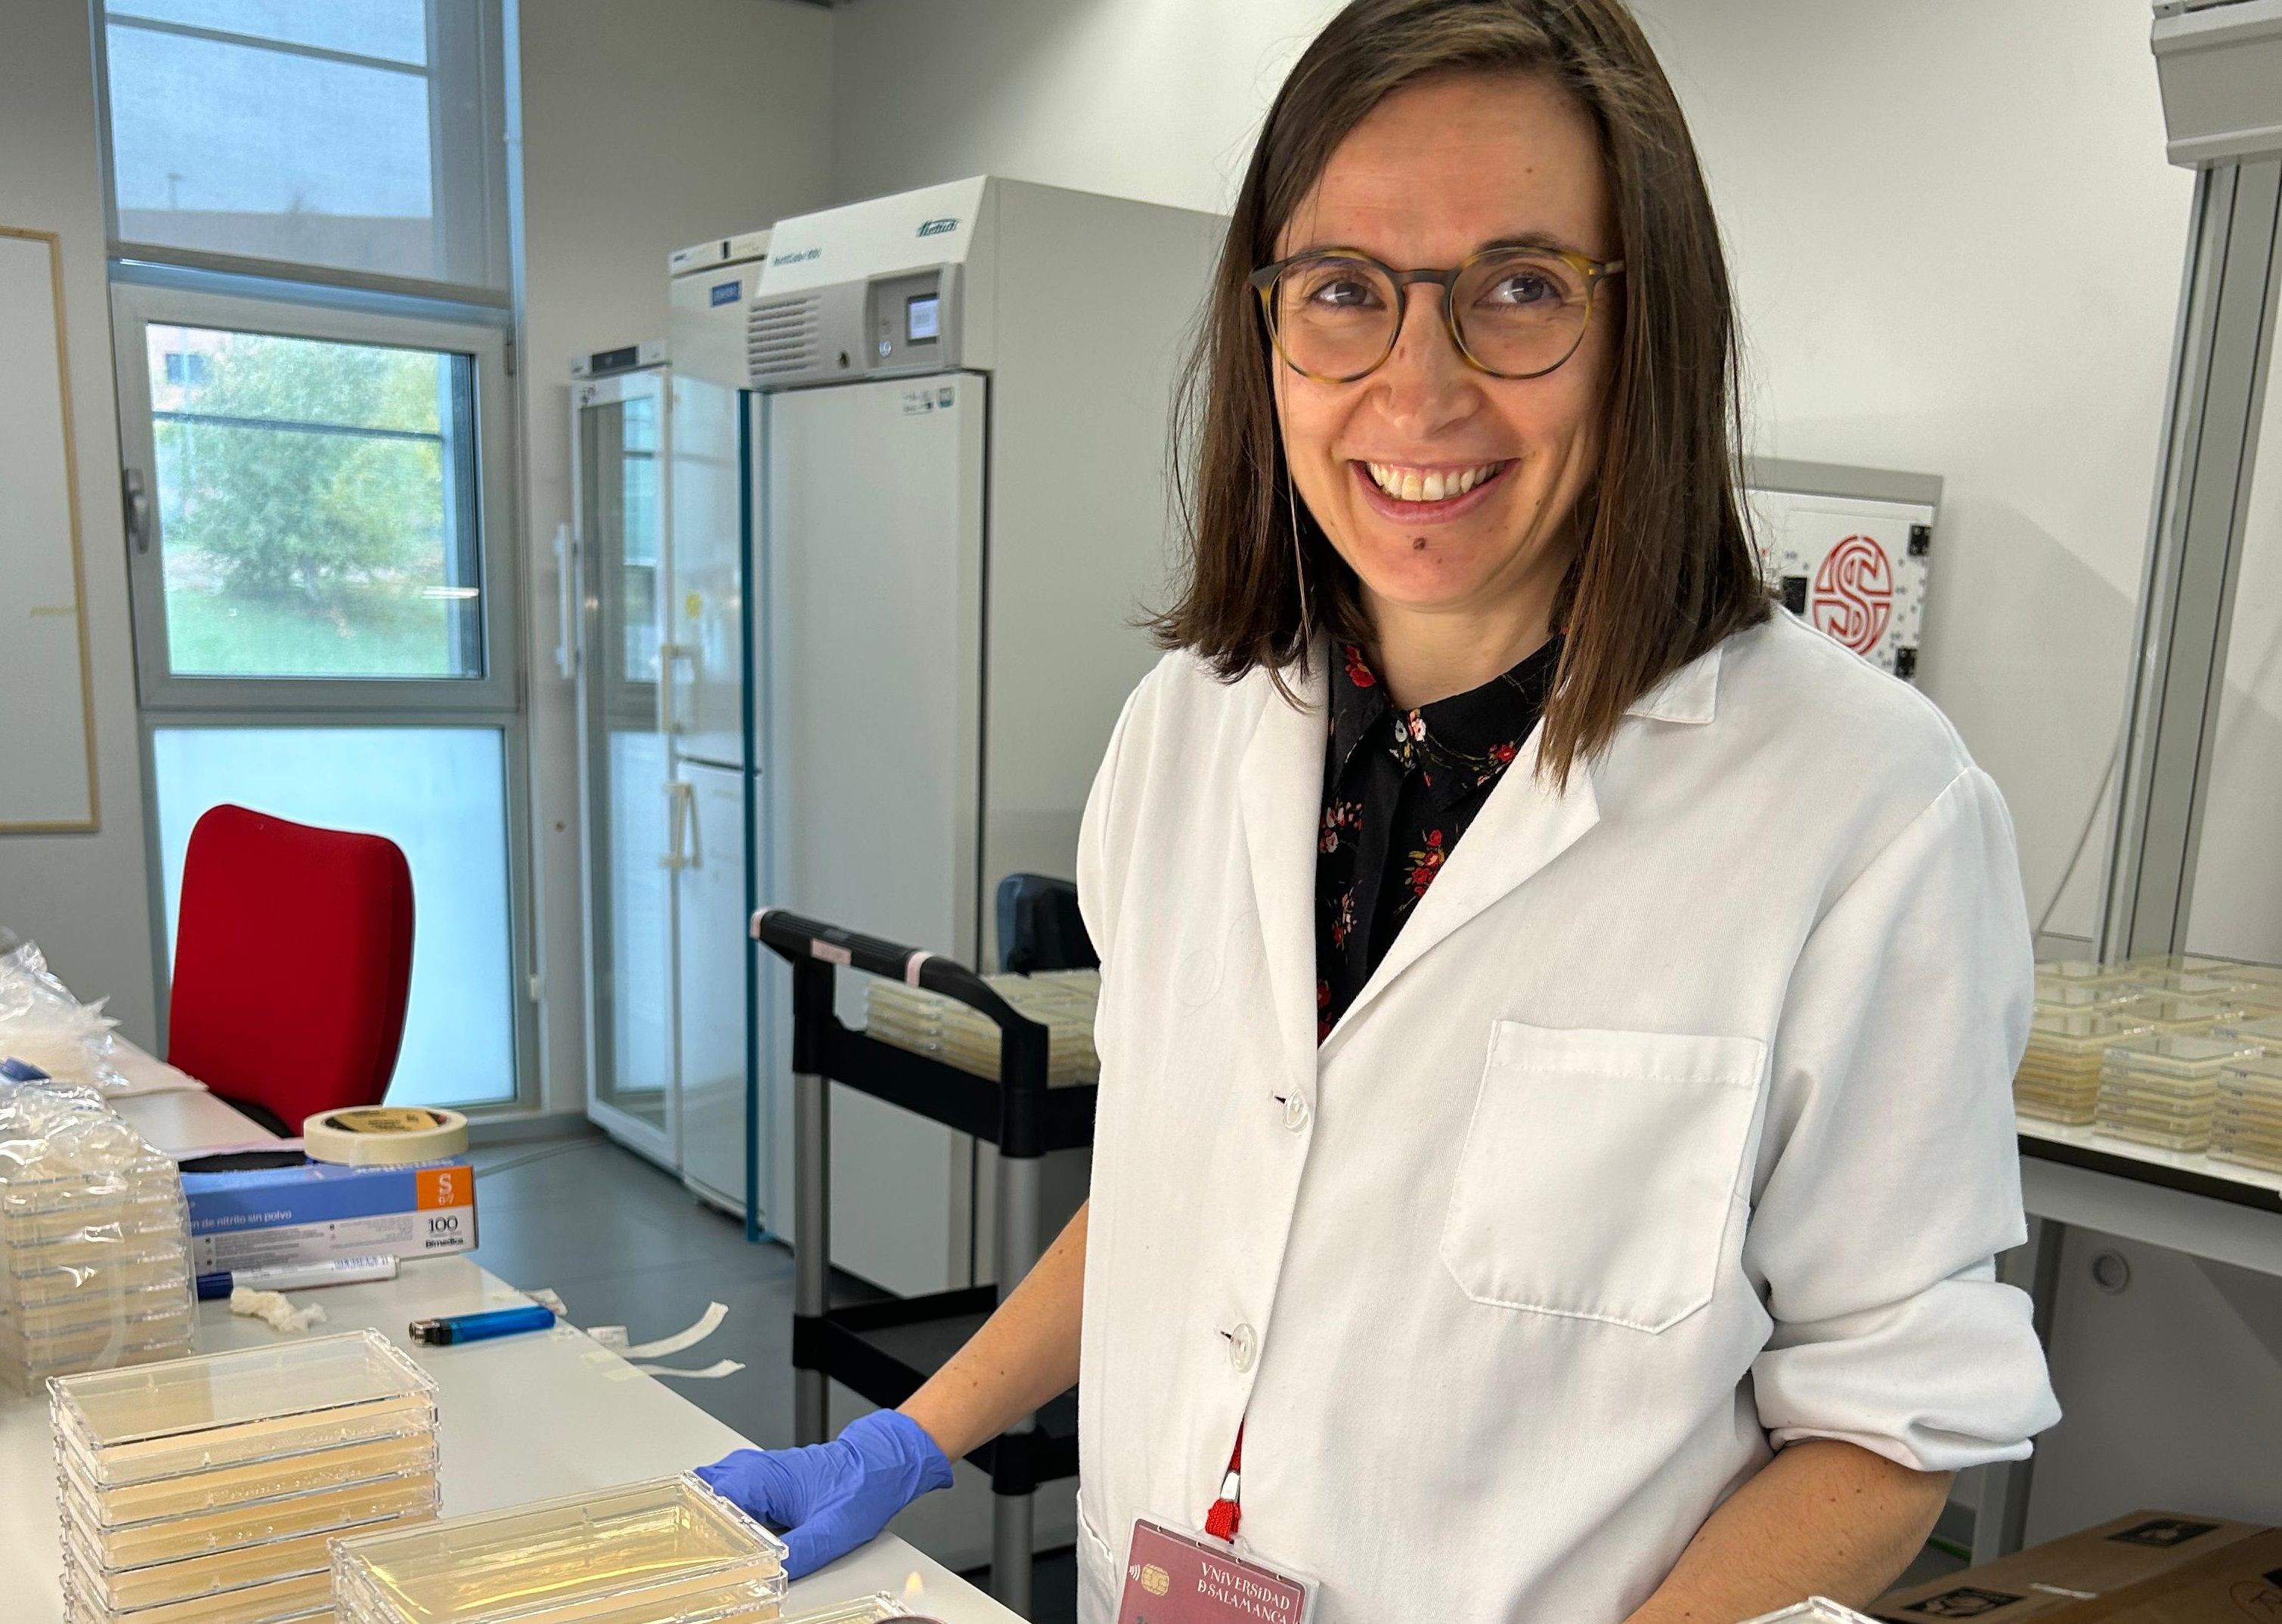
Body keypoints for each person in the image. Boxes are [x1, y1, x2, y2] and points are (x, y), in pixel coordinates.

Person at [698, 1, 2061, 1618]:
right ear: (1268, 323)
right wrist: (917, 1438)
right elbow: (1169, 1190)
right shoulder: (1183, 734)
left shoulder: (1862, 810)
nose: (1419, 393)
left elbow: (1890, 1426)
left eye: (1521, 290)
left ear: (1652, 330)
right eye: (1344, 291)